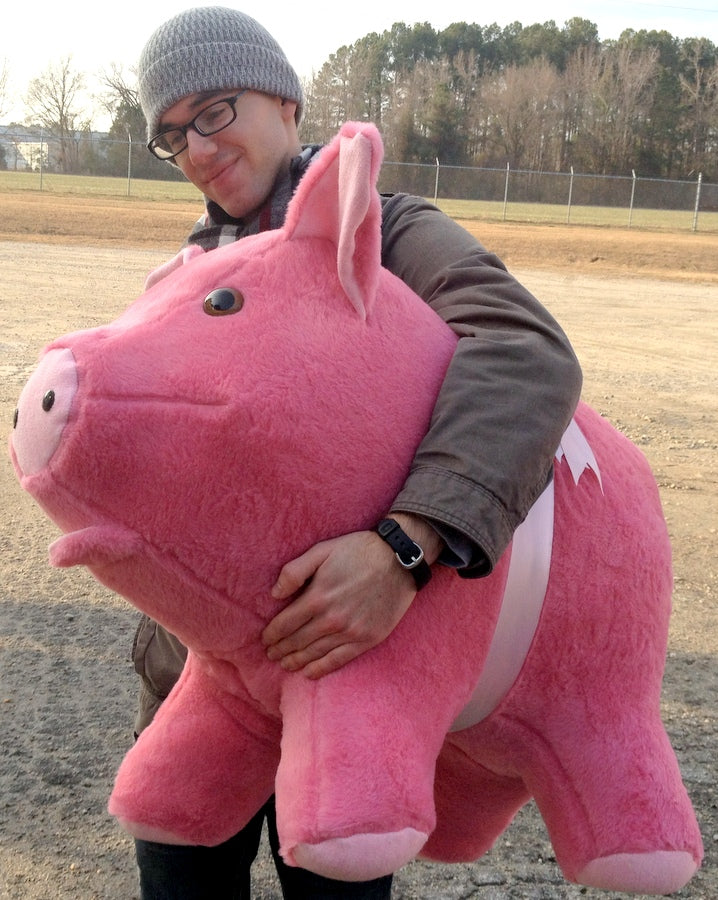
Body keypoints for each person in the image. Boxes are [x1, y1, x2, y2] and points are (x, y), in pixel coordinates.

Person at [131, 6, 583, 898]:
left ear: (288, 103)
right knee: (179, 879)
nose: (197, 145)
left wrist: (407, 546)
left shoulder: (385, 233)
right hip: (195, 683)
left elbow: (524, 352)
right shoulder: (187, 272)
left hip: (339, 674)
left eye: (216, 108)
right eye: (172, 133)